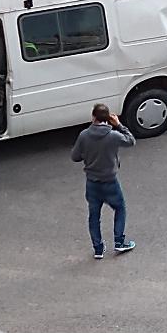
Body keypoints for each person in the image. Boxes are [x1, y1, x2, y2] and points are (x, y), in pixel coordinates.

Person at [71, 104, 137, 259]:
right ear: (108, 119)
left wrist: (87, 154)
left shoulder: (84, 135)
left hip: (92, 183)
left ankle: (98, 249)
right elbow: (131, 141)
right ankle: (119, 242)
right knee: (120, 208)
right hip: (110, 181)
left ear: (93, 117)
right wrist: (119, 125)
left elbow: (75, 156)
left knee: (94, 215)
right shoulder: (113, 136)